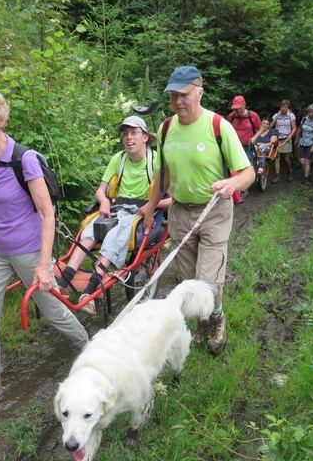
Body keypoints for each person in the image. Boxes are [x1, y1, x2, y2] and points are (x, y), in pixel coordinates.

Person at [0, 84, 89, 417]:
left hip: (30, 250)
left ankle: (90, 349)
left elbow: (47, 214)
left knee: (54, 311)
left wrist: (44, 265)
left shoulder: (23, 159)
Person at [143, 66, 255, 353]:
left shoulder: (218, 126)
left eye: (184, 95)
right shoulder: (166, 128)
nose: (178, 101)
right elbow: (162, 176)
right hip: (180, 212)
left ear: (199, 93)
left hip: (214, 211)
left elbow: (247, 173)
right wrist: (149, 207)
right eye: (173, 96)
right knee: (188, 279)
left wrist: (232, 183)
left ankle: (216, 320)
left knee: (208, 282)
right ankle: (203, 323)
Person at [56, 116, 171, 314]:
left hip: (140, 214)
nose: (128, 138)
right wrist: (105, 200)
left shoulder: (156, 162)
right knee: (89, 229)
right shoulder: (119, 159)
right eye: (125, 134)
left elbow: (173, 199)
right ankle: (63, 283)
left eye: (134, 133)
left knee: (113, 236)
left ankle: (90, 291)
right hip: (116, 208)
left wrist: (152, 206)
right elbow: (100, 191)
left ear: (145, 137)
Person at [294, 103, 313, 183]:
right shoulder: (304, 119)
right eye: (309, 112)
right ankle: (308, 174)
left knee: (307, 161)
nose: (311, 114)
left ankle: (305, 178)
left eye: (312, 112)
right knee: (302, 161)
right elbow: (300, 129)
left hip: (311, 143)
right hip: (303, 142)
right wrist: (296, 139)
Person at [227, 95, 261, 164]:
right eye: (235, 109)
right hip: (235, 146)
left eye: (239, 108)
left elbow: (261, 129)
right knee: (235, 166)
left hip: (248, 147)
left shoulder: (252, 115)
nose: (237, 110)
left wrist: (254, 137)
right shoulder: (231, 116)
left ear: (244, 104)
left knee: (248, 165)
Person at [269, 100, 296, 183]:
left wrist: (290, 136)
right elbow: (269, 126)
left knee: (287, 158)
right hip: (277, 138)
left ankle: (289, 171)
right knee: (277, 157)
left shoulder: (291, 116)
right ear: (280, 107)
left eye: (285, 107)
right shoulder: (276, 115)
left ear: (288, 108)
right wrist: (275, 118)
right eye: (282, 107)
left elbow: (294, 128)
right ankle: (277, 175)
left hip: (286, 138)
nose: (284, 109)